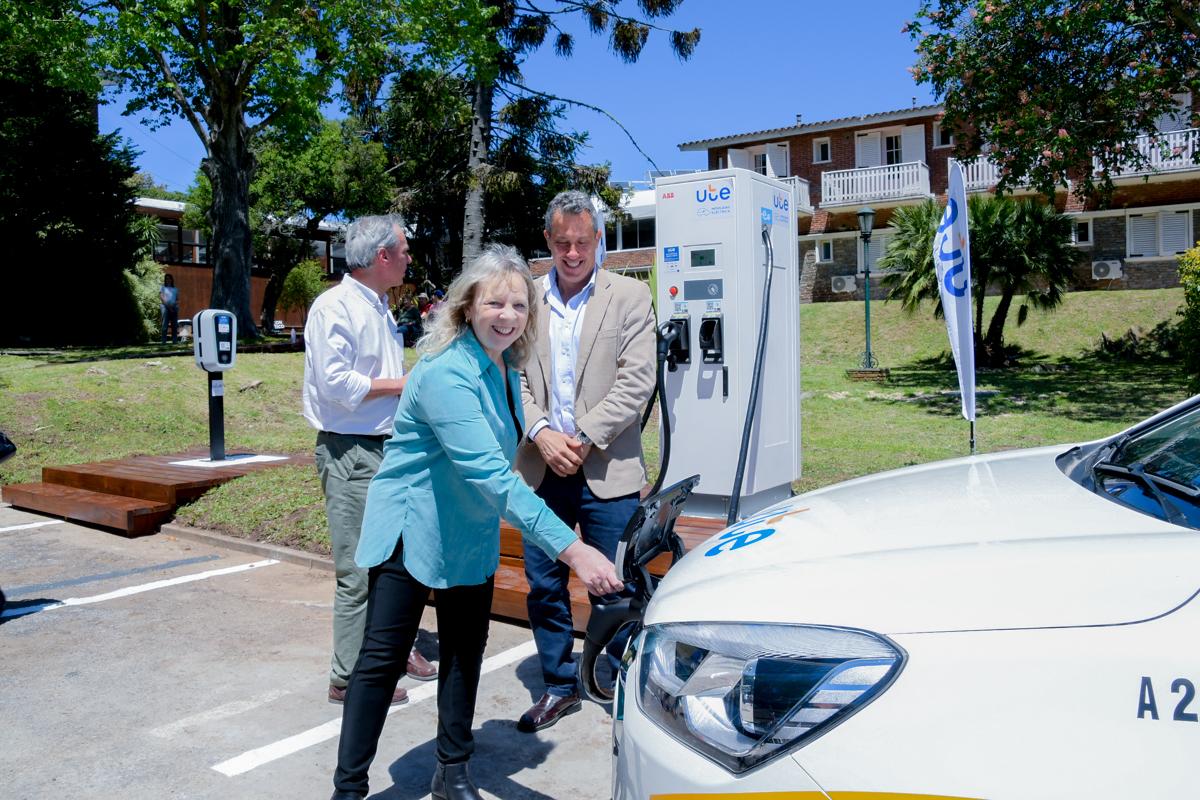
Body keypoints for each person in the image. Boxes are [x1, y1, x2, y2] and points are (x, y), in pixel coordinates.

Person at [329, 244, 623, 800]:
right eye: (495, 303)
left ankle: (453, 770)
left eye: (519, 305)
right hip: (412, 527)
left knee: (465, 650)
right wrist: (575, 550)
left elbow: (496, 472)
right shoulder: (446, 373)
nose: (507, 315)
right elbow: (493, 474)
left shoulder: (504, 371)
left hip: (468, 530)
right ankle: (349, 789)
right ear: (468, 306)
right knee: (380, 662)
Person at [514, 190, 656, 732]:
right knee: (545, 583)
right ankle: (557, 684)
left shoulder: (630, 296)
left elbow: (637, 381)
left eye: (583, 242)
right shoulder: (525, 298)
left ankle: (615, 680)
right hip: (541, 464)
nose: (572, 253)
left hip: (607, 467)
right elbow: (514, 377)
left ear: (599, 240)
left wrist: (583, 438)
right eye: (562, 242)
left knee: (615, 584)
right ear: (548, 241)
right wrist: (542, 432)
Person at [302, 214, 436, 708]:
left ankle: (392, 650)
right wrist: (406, 384)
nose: (407, 258)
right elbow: (337, 387)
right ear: (381, 256)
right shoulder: (333, 307)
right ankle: (348, 676)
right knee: (360, 567)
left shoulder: (377, 305)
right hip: (352, 451)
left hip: (386, 447)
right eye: (402, 251)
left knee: (397, 560)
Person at [159, 274, 179, 344]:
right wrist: (168, 306)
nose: (168, 280)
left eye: (169, 278)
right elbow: (161, 297)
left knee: (174, 325)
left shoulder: (175, 289)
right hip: (165, 307)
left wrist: (173, 305)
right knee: (165, 325)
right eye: (166, 279)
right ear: (165, 280)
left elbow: (177, 299)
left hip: (174, 307)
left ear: (171, 279)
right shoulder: (162, 288)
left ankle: (175, 341)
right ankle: (164, 342)